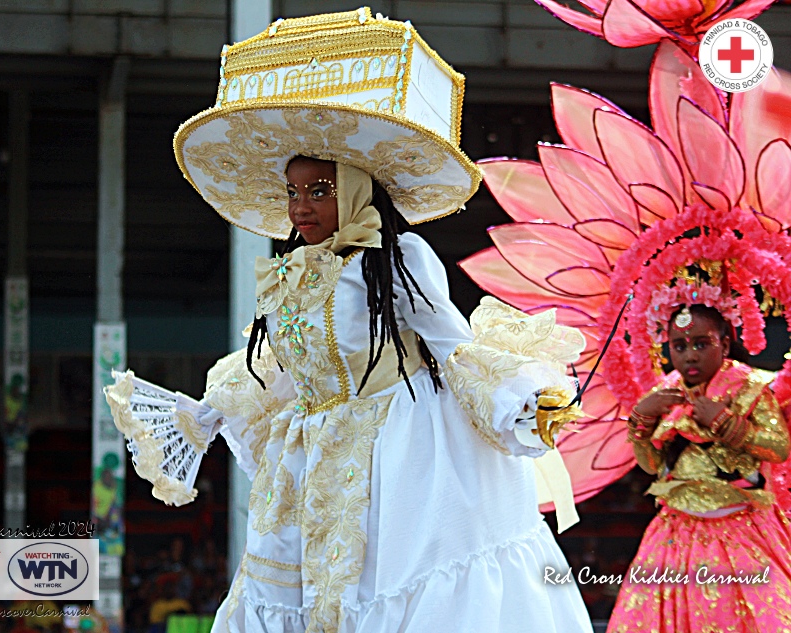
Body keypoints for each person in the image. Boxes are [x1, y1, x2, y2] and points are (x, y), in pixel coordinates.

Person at [106, 10, 593, 632]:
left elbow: (453, 346)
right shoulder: (290, 276)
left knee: (397, 593)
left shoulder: (396, 259)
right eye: (292, 192)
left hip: (400, 450)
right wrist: (209, 412)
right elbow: (280, 373)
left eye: (319, 190)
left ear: (357, 189)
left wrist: (520, 398)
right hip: (310, 455)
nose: (301, 206)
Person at [608, 300, 791, 632]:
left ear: (723, 343)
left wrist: (724, 422)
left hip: (742, 528)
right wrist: (640, 419)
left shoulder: (750, 388)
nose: (690, 355)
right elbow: (651, 466)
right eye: (679, 346)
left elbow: (779, 448)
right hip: (675, 532)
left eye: (701, 344)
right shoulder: (664, 393)